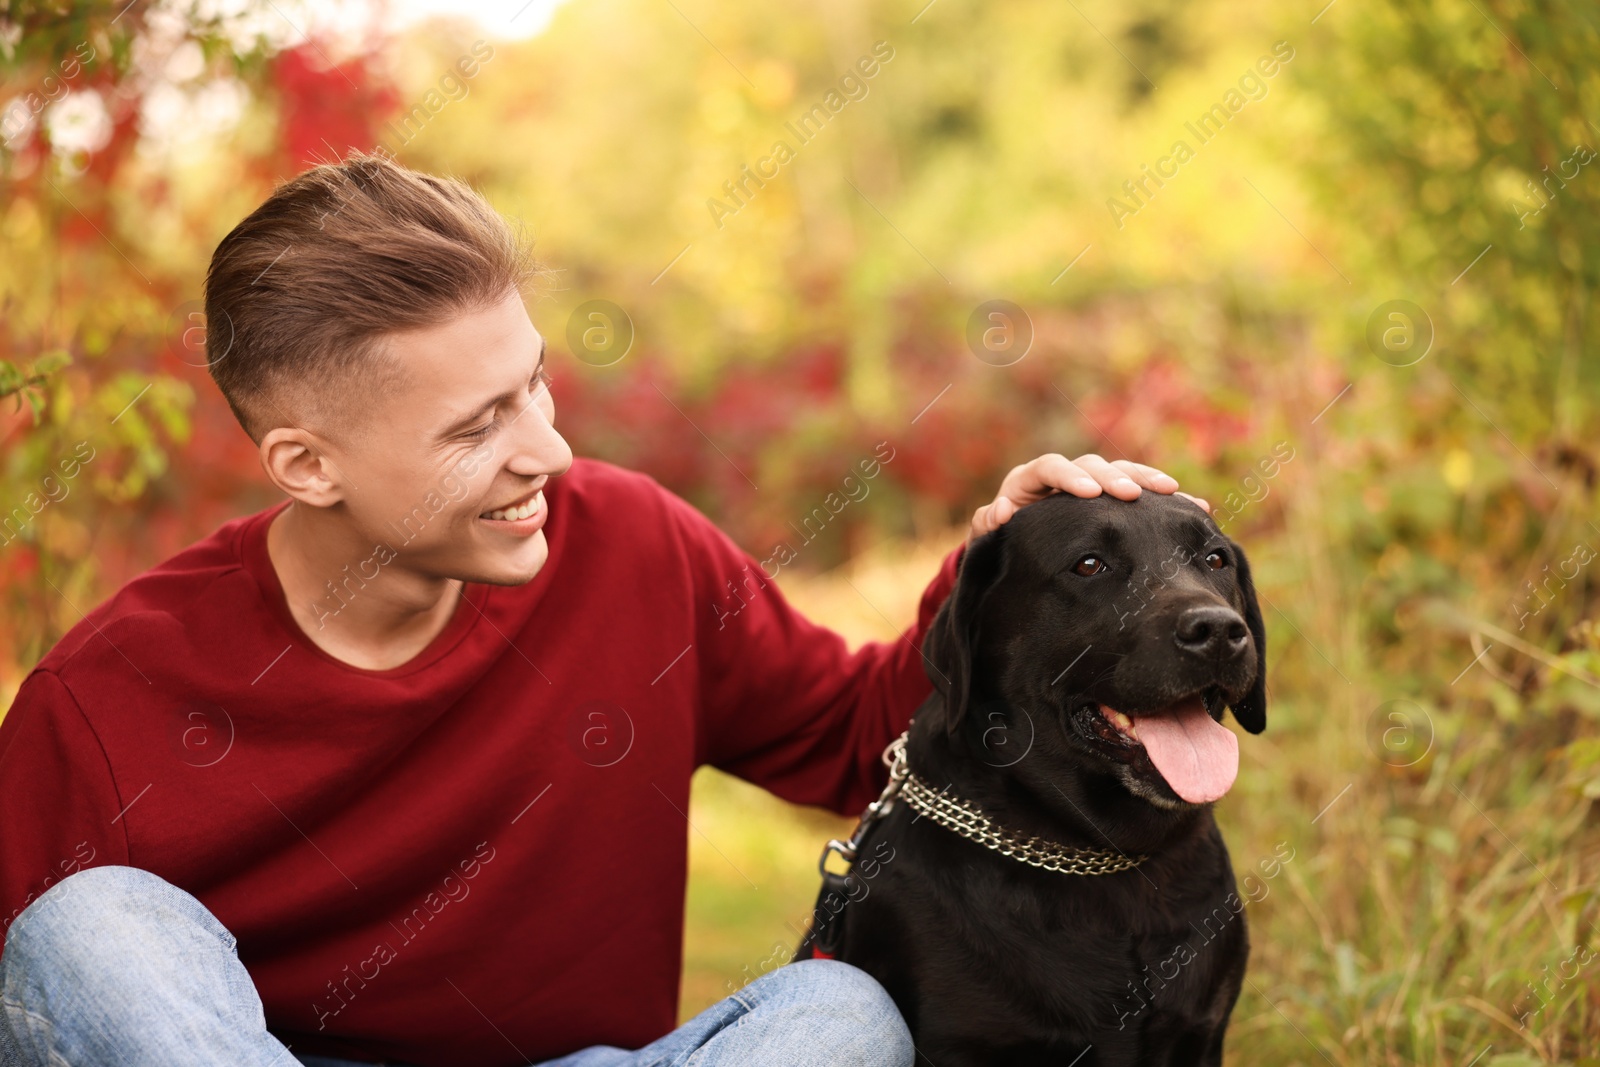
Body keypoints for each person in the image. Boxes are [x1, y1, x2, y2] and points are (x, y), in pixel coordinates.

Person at [0, 154, 1195, 1067]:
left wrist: (991, 565)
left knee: (841, 1016)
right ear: (307, 466)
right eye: (476, 428)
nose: (549, 448)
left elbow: (854, 739)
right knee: (91, 927)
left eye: (533, 385)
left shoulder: (630, 546)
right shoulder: (110, 697)